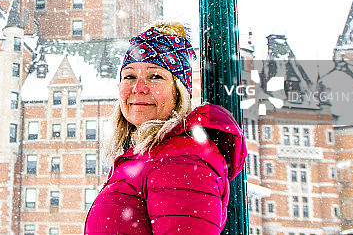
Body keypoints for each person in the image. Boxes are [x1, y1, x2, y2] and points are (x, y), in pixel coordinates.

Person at [84, 22, 247, 235]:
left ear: (178, 91)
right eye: (130, 76)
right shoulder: (151, 155)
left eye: (155, 77)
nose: (138, 88)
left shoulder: (182, 159)